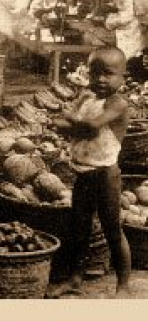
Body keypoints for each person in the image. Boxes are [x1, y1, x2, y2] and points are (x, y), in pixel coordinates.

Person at [50, 46, 132, 298]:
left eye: (108, 74)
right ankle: (75, 278)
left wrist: (69, 121)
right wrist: (71, 122)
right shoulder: (86, 98)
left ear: (123, 77)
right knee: (80, 228)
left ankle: (124, 286)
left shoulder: (117, 103)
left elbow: (93, 127)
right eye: (95, 73)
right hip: (83, 172)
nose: (100, 79)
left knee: (112, 230)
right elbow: (64, 125)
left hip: (105, 174)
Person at [92, 0, 147, 65]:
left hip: (132, 31)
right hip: (131, 27)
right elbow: (125, 7)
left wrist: (107, 21)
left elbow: (127, 17)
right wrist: (110, 8)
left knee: (92, 36)